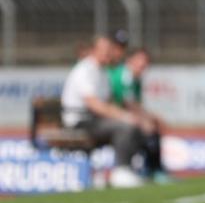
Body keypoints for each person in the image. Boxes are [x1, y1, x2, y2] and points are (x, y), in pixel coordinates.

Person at [61, 36, 146, 188]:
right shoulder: (84, 70)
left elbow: (108, 102)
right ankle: (121, 171)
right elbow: (94, 104)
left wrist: (131, 116)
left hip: (94, 120)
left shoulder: (103, 71)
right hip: (79, 121)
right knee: (125, 126)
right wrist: (124, 116)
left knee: (134, 125)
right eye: (104, 50)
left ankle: (132, 169)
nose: (108, 54)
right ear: (94, 50)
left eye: (110, 50)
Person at [108, 47, 168, 181]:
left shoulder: (135, 79)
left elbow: (135, 104)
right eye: (141, 60)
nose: (144, 64)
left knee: (150, 128)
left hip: (120, 115)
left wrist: (149, 118)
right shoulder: (125, 76)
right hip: (113, 116)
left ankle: (151, 169)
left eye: (146, 61)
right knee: (144, 129)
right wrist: (146, 119)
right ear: (130, 60)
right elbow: (127, 103)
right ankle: (132, 168)